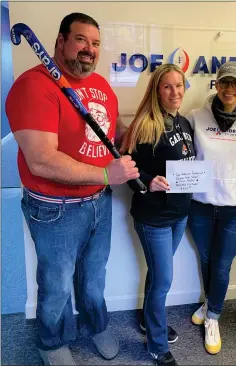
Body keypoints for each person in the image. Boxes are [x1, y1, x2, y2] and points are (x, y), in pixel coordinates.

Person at [6, 13, 140, 365]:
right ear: (60, 42)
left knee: (95, 275)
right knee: (57, 285)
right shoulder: (34, 86)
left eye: (95, 43)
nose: (89, 49)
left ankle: (96, 325)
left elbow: (113, 128)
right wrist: (108, 175)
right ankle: (52, 342)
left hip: (98, 201)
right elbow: (41, 161)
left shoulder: (100, 85)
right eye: (81, 40)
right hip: (55, 208)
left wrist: (132, 133)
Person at [121, 63, 195, 366]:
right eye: (167, 86)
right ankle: (156, 342)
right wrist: (148, 181)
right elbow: (128, 168)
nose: (174, 92)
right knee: (163, 279)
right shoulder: (145, 124)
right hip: (154, 217)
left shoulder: (184, 123)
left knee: (158, 273)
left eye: (179, 85)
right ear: (156, 90)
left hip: (179, 213)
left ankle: (148, 320)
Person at [186, 62, 236, 354]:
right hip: (200, 206)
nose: (230, 89)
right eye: (224, 83)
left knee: (222, 265)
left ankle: (213, 316)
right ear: (216, 84)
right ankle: (210, 301)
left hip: (235, 209)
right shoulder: (195, 117)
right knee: (206, 259)